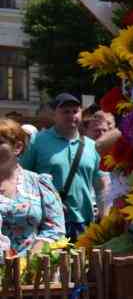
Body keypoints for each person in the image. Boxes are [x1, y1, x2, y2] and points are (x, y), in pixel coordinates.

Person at [20, 94, 102, 241]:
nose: (71, 115)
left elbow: (100, 186)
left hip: (85, 224)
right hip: (48, 224)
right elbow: (23, 179)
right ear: (54, 115)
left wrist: (104, 216)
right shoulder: (37, 141)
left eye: (75, 111)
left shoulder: (91, 146)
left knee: (84, 264)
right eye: (65, 111)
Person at [0, 118, 65, 255]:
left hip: (31, 270)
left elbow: (54, 229)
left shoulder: (38, 183)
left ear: (17, 147)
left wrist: (29, 261)